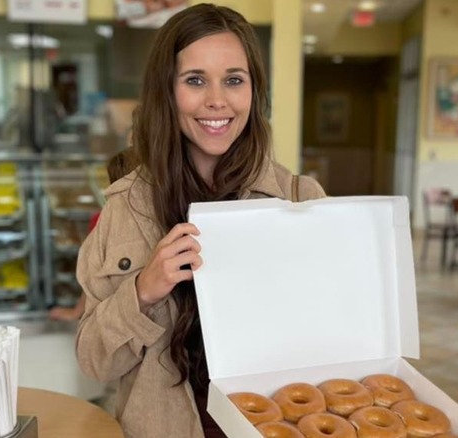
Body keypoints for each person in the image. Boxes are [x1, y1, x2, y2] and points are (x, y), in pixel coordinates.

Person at [75, 4, 326, 438]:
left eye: (234, 79)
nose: (217, 100)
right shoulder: (124, 211)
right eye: (195, 80)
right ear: (167, 92)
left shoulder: (301, 202)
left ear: (254, 91)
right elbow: (95, 362)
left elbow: (338, 341)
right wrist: (143, 290)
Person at [48, 148, 140, 322]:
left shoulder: (102, 218)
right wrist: (78, 312)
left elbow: (91, 275)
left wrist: (77, 312)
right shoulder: (103, 221)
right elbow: (93, 274)